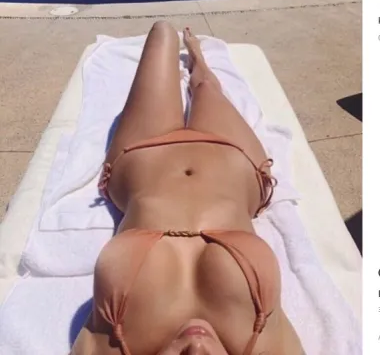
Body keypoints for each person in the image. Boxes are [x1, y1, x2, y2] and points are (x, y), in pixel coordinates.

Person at [70, 21, 305, 355]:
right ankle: (198, 58)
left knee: (162, 33)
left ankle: (188, 53)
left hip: (142, 152)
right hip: (233, 154)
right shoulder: (263, 347)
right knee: (206, 86)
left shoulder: (118, 344)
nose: (196, 347)